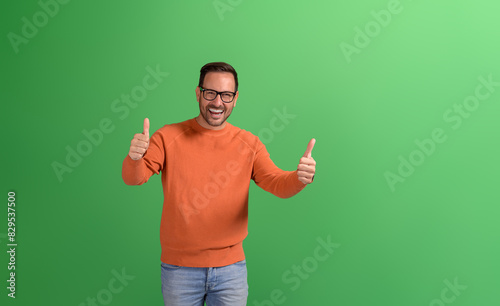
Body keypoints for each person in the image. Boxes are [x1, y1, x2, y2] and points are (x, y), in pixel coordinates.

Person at [122, 62, 316, 305]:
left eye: (226, 95)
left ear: (235, 99)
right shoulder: (168, 137)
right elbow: (134, 178)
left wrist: (299, 177)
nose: (217, 102)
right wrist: (134, 158)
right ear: (198, 93)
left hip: (231, 271)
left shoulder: (249, 143)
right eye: (210, 93)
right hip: (179, 269)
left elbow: (277, 183)